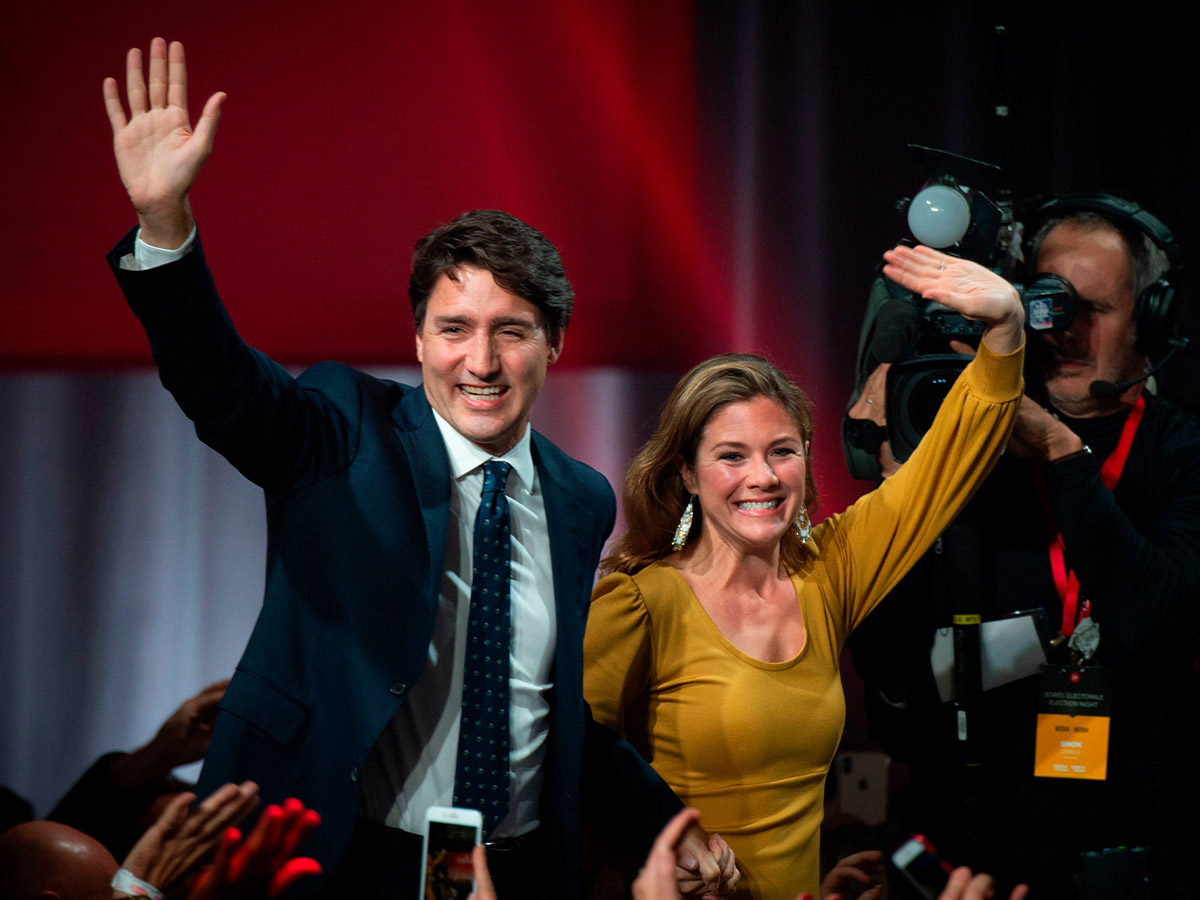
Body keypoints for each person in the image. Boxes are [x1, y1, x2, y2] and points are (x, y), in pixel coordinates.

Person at [100, 37, 734, 900]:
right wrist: (166, 227)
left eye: (511, 330)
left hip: (503, 875)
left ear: (554, 344)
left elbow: (549, 711)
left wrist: (668, 826)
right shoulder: (345, 426)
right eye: (453, 328)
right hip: (332, 856)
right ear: (418, 341)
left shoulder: (582, 498)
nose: (481, 360)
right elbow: (224, 388)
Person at [583, 244, 1027, 899]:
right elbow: (566, 768)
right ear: (685, 473)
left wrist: (1007, 328)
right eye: (731, 456)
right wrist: (656, 849)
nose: (761, 477)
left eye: (781, 451)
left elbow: (946, 466)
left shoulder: (829, 570)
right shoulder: (642, 603)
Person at [844, 196, 1200, 898]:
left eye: (1093, 308)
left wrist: (1061, 453)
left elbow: (1159, 619)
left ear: (1152, 320)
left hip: (1132, 851)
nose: (1064, 331)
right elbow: (891, 664)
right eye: (1047, 303)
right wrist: (897, 489)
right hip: (970, 860)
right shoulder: (968, 438)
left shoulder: (1180, 450)